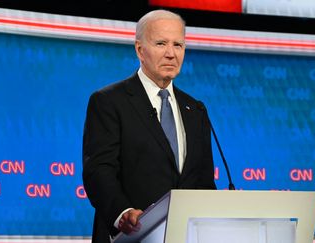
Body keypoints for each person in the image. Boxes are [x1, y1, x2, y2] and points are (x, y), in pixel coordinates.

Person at [82, 9, 217, 243]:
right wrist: (122, 213)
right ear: (139, 49)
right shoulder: (109, 101)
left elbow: (203, 182)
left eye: (178, 45)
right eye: (161, 43)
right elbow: (99, 171)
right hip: (130, 236)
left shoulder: (195, 109)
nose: (171, 54)